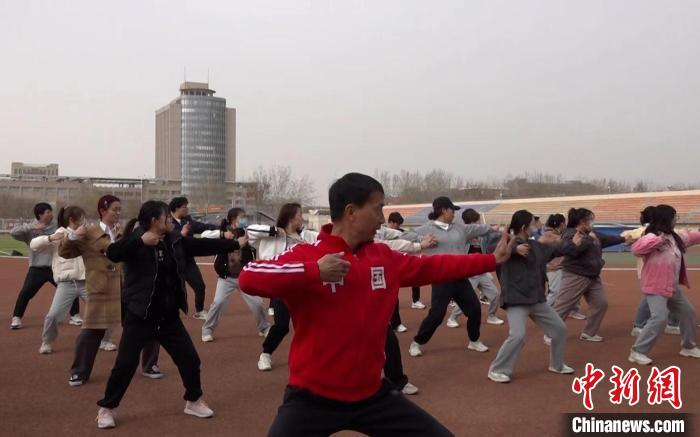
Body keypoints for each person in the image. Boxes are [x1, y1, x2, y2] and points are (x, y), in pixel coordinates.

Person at [238, 172, 513, 436]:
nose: (382, 219)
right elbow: (249, 277)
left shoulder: (382, 257)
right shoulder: (307, 255)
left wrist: (490, 260)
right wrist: (313, 272)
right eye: (378, 209)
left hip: (372, 395)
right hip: (311, 398)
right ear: (351, 212)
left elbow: (435, 265)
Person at [94, 200, 245, 429]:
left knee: (190, 360)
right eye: (167, 218)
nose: (171, 222)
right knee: (124, 365)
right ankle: (107, 408)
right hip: (140, 316)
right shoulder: (137, 239)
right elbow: (113, 252)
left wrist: (233, 243)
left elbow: (199, 246)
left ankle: (193, 400)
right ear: (155, 221)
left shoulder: (174, 240)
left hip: (168, 317)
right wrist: (139, 241)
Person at [60, 195, 161, 387]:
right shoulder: (89, 232)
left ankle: (150, 365)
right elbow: (65, 253)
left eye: (119, 209)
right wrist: (72, 236)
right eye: (114, 209)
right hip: (102, 287)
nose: (118, 213)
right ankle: (79, 372)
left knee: (146, 323)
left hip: (127, 287)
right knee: (92, 332)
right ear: (102, 210)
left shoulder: (123, 232)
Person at [487, 210, 575, 383]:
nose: (535, 227)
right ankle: (497, 369)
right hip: (516, 299)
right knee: (518, 335)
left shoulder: (535, 246)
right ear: (524, 227)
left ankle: (556, 365)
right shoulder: (504, 243)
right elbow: (491, 250)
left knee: (559, 329)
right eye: (532, 225)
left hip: (536, 299)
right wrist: (513, 248)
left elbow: (556, 250)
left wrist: (574, 244)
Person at [407, 197, 496, 357]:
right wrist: (422, 241)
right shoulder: (426, 229)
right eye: (452, 210)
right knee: (437, 314)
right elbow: (407, 237)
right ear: (443, 210)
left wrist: (496, 229)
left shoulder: (459, 228)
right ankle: (417, 342)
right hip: (441, 277)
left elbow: (480, 229)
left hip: (460, 276)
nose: (455, 213)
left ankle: (474, 341)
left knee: (475, 309)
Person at [246, 203, 318, 371]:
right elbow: (250, 231)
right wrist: (273, 231)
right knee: (282, 325)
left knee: (311, 325)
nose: (302, 218)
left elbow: (324, 239)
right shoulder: (273, 235)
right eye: (300, 214)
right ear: (291, 216)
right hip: (282, 287)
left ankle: (310, 359)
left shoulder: (306, 236)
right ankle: (265, 354)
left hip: (303, 287)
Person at [628, 205, 700, 365]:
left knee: (688, 313)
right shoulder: (652, 236)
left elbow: (692, 237)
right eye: (675, 217)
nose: (676, 220)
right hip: (655, 287)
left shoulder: (674, 237)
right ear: (666, 219)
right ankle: (638, 351)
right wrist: (659, 239)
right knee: (659, 318)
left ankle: (688, 346)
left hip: (671, 286)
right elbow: (636, 249)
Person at [550, 208, 630, 343]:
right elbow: (572, 250)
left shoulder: (591, 233)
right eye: (590, 219)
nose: (592, 222)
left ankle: (589, 333)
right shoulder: (570, 233)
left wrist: (623, 239)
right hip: (575, 275)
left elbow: (606, 238)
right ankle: (550, 334)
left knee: (601, 303)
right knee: (563, 306)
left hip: (592, 275)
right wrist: (589, 239)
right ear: (582, 221)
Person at [201, 207, 271, 342]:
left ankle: (264, 327)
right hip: (226, 277)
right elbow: (204, 235)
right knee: (218, 302)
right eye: (242, 217)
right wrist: (222, 235)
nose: (245, 219)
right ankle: (207, 329)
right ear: (233, 219)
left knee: (257, 303)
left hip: (245, 276)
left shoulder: (248, 233)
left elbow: (263, 232)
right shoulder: (222, 233)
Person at [10, 202, 81, 329]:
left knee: (70, 288)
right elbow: (13, 233)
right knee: (26, 292)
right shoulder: (31, 228)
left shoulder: (56, 227)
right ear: (40, 215)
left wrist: (66, 212)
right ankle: (16, 318)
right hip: (36, 268)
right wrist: (33, 228)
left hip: (54, 267)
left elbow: (67, 226)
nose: (51, 214)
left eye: (51, 212)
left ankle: (75, 315)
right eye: (48, 212)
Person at [32, 206, 88, 354]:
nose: (84, 221)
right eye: (81, 218)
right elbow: (34, 245)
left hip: (85, 282)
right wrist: (49, 238)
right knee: (53, 315)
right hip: (66, 283)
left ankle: (105, 340)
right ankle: (47, 342)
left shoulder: (84, 234)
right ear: (71, 219)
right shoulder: (60, 234)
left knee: (101, 309)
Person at [627, 206, 680, 336]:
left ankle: (672, 323)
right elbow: (632, 244)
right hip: (650, 274)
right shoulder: (650, 233)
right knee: (650, 301)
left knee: (672, 297)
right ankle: (639, 325)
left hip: (663, 274)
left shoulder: (663, 232)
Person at [446, 208, 504, 328]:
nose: (478, 223)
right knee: (466, 298)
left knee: (494, 295)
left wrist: (499, 231)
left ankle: (491, 316)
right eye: (476, 221)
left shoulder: (482, 233)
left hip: (480, 270)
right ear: (471, 222)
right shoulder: (463, 233)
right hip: (468, 271)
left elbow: (493, 235)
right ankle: (452, 318)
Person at [169, 197, 219, 320]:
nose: (187, 209)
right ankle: (170, 315)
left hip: (188, 261)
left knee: (200, 286)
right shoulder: (167, 222)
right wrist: (181, 234)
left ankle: (199, 311)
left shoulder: (188, 221)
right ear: (176, 208)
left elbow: (201, 226)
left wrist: (220, 228)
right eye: (184, 207)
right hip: (173, 263)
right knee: (173, 290)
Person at [539, 214, 586, 321]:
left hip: (563, 267)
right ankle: (544, 311)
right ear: (561, 224)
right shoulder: (548, 236)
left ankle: (574, 310)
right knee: (555, 292)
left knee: (573, 289)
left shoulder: (558, 234)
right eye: (564, 223)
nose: (565, 225)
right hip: (553, 268)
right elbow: (560, 243)